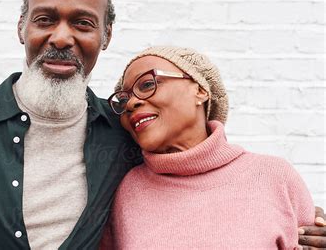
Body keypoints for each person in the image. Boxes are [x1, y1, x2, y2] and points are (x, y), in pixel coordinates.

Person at [0, 0, 325, 249]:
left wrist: (304, 223)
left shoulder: (123, 138)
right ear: (21, 26)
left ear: (105, 35)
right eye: (45, 19)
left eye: (82, 22)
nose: (61, 37)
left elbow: (204, 172)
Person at [101, 46, 323, 249]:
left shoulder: (274, 176)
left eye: (147, 84)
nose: (130, 104)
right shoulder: (123, 190)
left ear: (200, 91)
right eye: (123, 100)